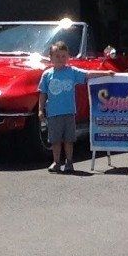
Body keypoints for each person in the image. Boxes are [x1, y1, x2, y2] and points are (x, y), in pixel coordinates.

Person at [37, 39, 88, 173]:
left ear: (68, 57)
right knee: (55, 140)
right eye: (57, 56)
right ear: (51, 58)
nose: (60, 59)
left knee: (69, 140)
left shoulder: (72, 72)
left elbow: (88, 75)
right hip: (53, 113)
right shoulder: (47, 74)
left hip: (69, 112)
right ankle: (56, 162)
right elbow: (42, 93)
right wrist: (40, 110)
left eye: (63, 56)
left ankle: (69, 162)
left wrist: (106, 74)